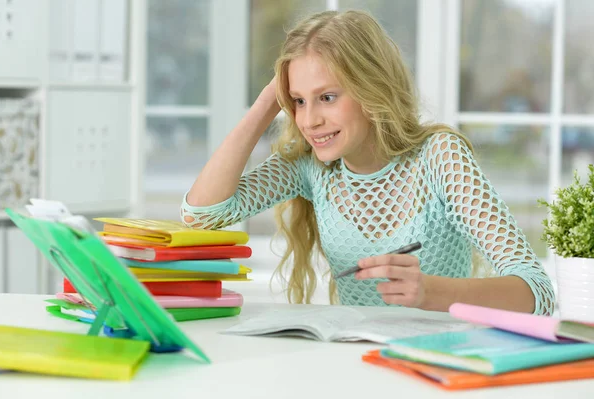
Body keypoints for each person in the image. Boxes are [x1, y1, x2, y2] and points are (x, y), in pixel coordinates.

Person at [181, 10, 555, 315]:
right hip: (354, 365)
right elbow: (201, 214)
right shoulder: (310, 167)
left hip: (438, 362)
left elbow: (538, 292)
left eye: (327, 97)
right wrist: (265, 105)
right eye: (297, 100)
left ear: (371, 90)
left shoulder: (440, 157)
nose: (309, 121)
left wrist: (429, 292)